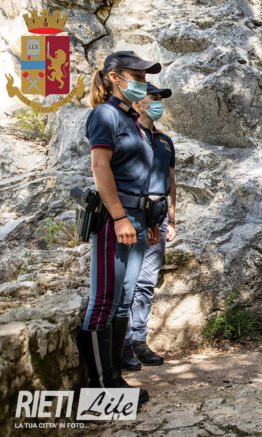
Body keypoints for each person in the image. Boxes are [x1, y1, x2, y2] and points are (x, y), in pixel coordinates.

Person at [77, 51, 161, 404]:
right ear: (114, 77)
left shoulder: (132, 120)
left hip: (138, 218)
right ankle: (99, 388)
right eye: (136, 77)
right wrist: (118, 216)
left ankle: (115, 378)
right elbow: (100, 167)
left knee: (124, 301)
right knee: (104, 301)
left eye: (144, 78)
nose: (142, 83)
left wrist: (148, 220)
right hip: (118, 219)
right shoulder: (106, 114)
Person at [122, 83, 176, 370]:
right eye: (152, 98)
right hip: (134, 212)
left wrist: (172, 218)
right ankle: (123, 343)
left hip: (159, 214)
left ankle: (139, 340)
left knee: (145, 282)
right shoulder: (130, 134)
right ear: (138, 102)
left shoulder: (165, 141)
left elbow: (171, 179)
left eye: (159, 99)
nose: (157, 103)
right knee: (127, 281)